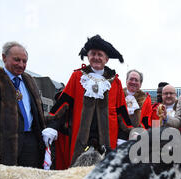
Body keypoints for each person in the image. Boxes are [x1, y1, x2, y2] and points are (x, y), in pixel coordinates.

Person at [43, 35, 132, 169]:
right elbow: (63, 104)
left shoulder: (116, 82)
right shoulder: (77, 77)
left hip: (107, 138)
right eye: (93, 54)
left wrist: (122, 136)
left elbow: (121, 112)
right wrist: (52, 126)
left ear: (106, 59)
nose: (96, 57)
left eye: (100, 54)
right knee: (75, 172)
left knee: (104, 174)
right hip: (80, 136)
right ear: (88, 56)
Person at [117, 69, 152, 142]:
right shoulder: (118, 94)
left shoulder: (146, 99)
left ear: (140, 83)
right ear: (126, 81)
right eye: (131, 79)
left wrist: (138, 132)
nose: (133, 82)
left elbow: (146, 120)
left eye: (136, 80)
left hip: (137, 137)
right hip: (118, 135)